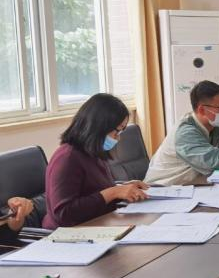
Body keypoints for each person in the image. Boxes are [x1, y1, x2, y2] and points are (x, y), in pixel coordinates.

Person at [43, 93, 148, 230]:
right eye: (116, 132)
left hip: (98, 224)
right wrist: (114, 192)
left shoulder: (93, 152)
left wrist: (123, 189)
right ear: (99, 127)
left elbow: (94, 192)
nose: (118, 138)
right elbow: (64, 214)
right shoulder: (67, 158)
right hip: (68, 235)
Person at [145, 81, 219, 185]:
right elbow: (218, 164)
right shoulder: (186, 133)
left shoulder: (215, 126)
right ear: (202, 110)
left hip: (192, 186)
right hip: (163, 189)